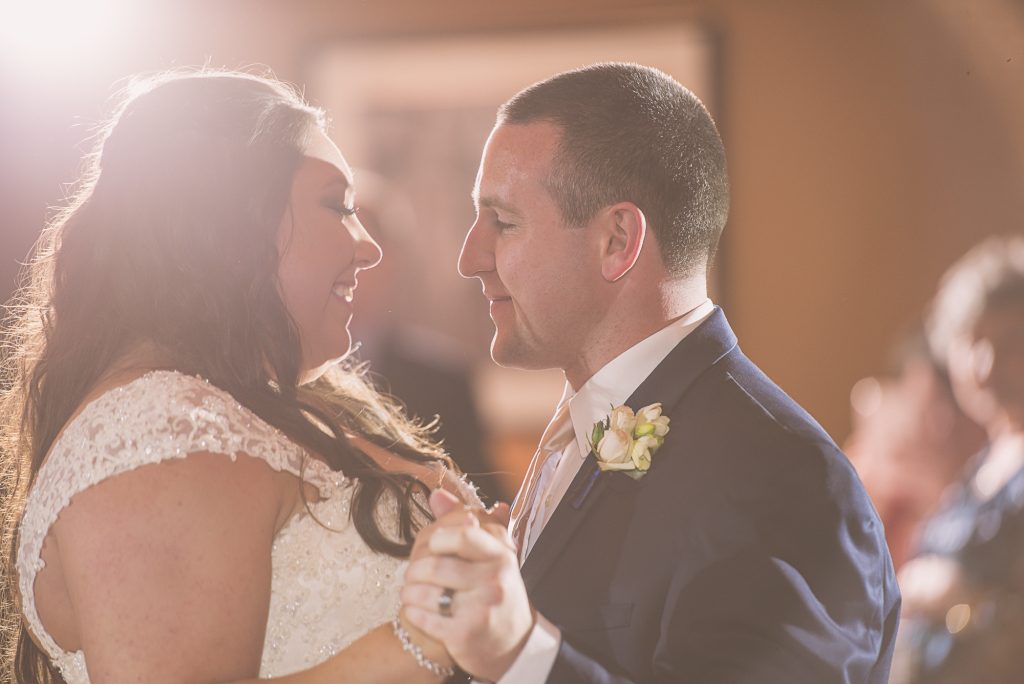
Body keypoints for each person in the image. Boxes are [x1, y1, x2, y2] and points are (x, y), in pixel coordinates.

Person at [400, 62, 901, 683]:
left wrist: (519, 654)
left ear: (618, 240)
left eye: (503, 222)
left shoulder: (781, 476)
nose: (469, 257)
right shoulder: (579, 433)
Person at [0, 70, 489, 683]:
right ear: (233, 223)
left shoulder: (268, 404)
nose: (368, 247)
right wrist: (419, 644)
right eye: (337, 206)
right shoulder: (161, 431)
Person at [893, 235, 1024, 684]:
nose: (987, 367)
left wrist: (959, 602)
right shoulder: (981, 467)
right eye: (974, 343)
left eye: (1009, 346)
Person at [844, 328, 986, 570]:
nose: (936, 426)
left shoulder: (992, 487)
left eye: (945, 405)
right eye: (919, 404)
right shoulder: (870, 474)